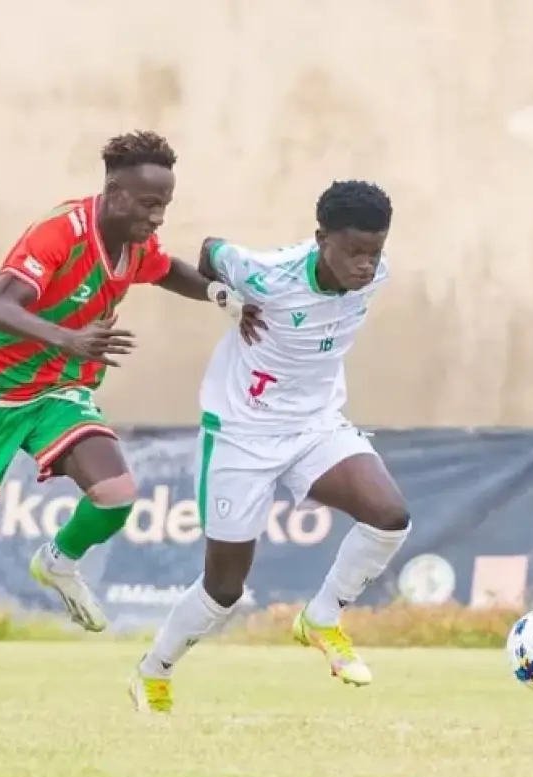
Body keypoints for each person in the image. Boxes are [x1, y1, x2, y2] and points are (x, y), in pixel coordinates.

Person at [0, 130, 263, 710]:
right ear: (114, 192)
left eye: (165, 205)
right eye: (148, 204)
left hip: (56, 390)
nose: (157, 217)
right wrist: (69, 338)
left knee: (117, 492)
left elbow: (165, 270)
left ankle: (58, 560)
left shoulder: (133, 245)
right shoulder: (59, 232)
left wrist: (217, 294)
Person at [129, 180, 412, 714]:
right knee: (224, 589)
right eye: (352, 252)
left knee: (389, 516)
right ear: (321, 239)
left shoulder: (377, 274)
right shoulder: (268, 274)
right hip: (241, 434)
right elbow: (211, 248)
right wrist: (227, 297)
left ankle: (323, 618)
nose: (364, 266)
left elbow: (366, 269)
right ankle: (153, 671)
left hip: (314, 426)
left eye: (373, 253)